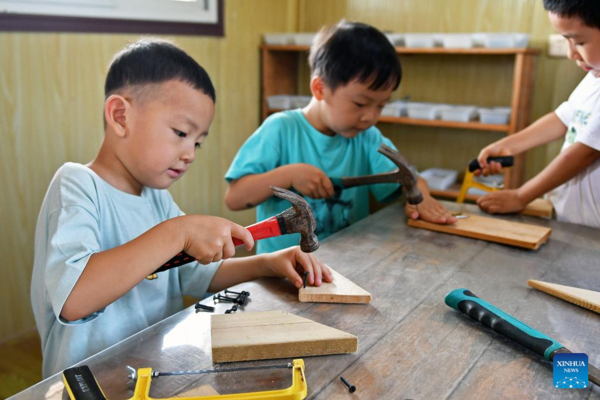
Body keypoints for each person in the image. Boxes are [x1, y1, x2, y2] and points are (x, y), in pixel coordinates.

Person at [30, 38, 332, 378]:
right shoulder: (77, 185)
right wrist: (178, 231)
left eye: (198, 142)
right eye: (180, 132)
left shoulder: (156, 198)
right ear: (120, 116)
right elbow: (74, 300)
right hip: (86, 383)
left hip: (149, 373)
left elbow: (196, 274)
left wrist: (267, 263)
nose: (189, 153)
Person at [225, 21, 457, 254]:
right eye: (361, 103)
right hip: (281, 270)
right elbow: (234, 198)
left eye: (381, 106)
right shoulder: (281, 130)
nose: (370, 117)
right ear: (320, 88)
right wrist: (288, 175)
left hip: (349, 266)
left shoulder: (367, 138)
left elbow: (411, 180)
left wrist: (422, 196)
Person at [475, 0, 600, 228]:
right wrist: (509, 146)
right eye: (566, 40)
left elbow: (585, 152)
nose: (571, 54)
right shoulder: (594, 77)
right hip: (574, 220)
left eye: (580, 41)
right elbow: (562, 118)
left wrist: (521, 196)